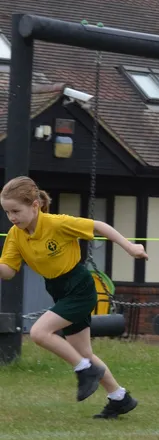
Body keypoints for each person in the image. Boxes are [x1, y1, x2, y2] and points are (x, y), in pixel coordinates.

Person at [0, 176, 147, 419]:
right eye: (7, 212)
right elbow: (8, 271)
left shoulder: (57, 224)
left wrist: (130, 247)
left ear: (35, 205)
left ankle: (84, 370)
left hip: (79, 286)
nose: (12, 217)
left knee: (39, 333)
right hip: (58, 289)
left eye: (16, 210)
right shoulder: (16, 235)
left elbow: (99, 226)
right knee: (84, 351)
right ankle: (120, 397)